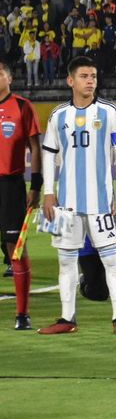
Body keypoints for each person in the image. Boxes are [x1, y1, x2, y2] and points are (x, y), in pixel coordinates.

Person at [36, 56, 116, 335]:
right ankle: (67, 318)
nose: (91, 81)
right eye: (85, 76)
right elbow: (49, 155)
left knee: (111, 259)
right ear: (70, 81)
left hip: (101, 202)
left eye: (93, 76)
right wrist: (48, 193)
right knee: (65, 261)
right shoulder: (58, 115)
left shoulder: (111, 111)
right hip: (65, 204)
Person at [0, 61, 42, 330]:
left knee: (14, 249)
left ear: (10, 78)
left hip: (10, 185)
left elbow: (35, 148)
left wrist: (35, 185)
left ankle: (22, 313)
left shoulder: (23, 106)